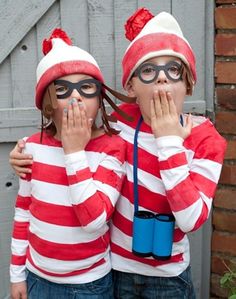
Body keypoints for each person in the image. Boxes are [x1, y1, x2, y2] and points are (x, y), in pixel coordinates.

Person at [10, 9, 227, 299]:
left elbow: (191, 220)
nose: (162, 80)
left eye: (173, 70)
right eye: (148, 70)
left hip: (169, 277)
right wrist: (24, 156)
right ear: (131, 86)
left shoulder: (205, 139)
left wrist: (168, 142)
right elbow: (71, 141)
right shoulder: (118, 124)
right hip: (117, 269)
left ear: (188, 83)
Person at [9, 28, 134, 299]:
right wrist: (17, 274)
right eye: (63, 90)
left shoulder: (112, 148)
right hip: (37, 277)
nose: (76, 98)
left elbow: (94, 220)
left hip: (89, 284)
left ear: (100, 97)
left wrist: (74, 151)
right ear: (47, 104)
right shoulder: (32, 147)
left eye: (86, 88)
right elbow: (24, 213)